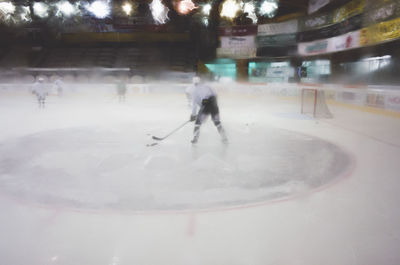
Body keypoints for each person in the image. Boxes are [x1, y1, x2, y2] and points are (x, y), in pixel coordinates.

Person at [188, 76, 228, 144]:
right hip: (214, 104)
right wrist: (213, 105)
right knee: (217, 122)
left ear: (193, 83)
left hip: (206, 104)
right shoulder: (207, 86)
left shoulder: (194, 91)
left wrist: (193, 115)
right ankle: (224, 137)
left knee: (198, 123)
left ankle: (195, 138)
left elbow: (195, 105)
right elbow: (215, 95)